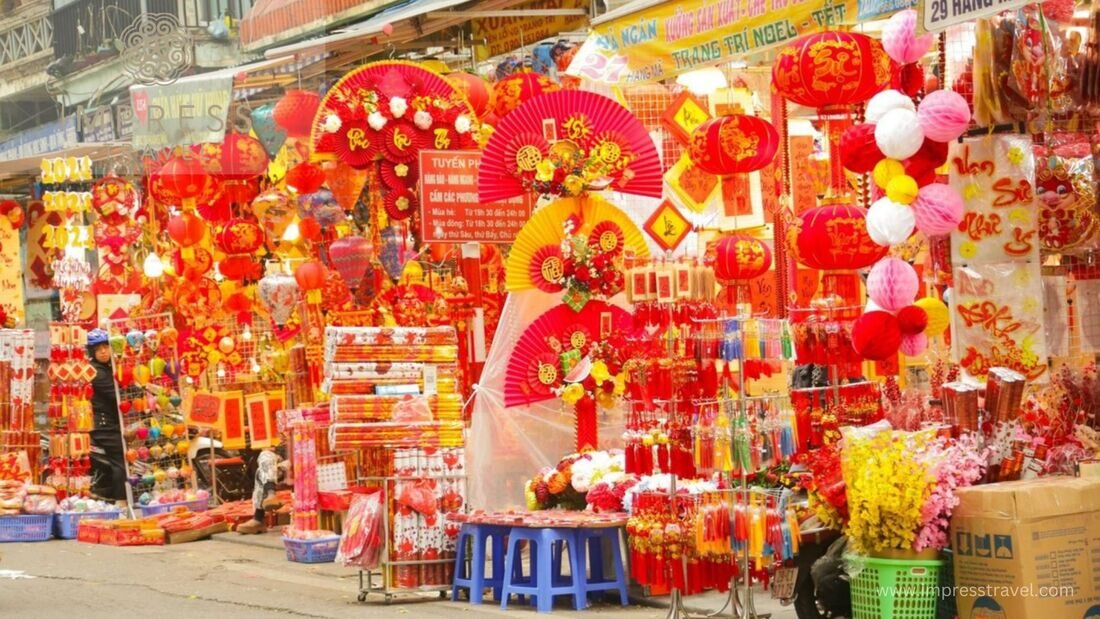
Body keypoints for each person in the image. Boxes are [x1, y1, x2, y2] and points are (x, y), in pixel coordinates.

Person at [87, 328, 127, 502]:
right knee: (121, 461)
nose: (103, 351)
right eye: (98, 349)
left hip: (110, 423)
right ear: (92, 352)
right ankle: (122, 502)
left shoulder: (107, 367)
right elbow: (115, 394)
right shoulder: (96, 372)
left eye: (106, 347)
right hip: (104, 426)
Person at [237, 449, 287, 534]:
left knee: (262, 472)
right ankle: (270, 494)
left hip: (300, 457)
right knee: (265, 457)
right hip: (280, 461)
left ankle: (258, 517)